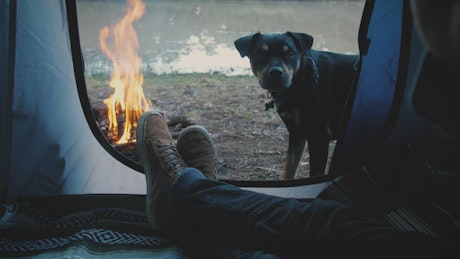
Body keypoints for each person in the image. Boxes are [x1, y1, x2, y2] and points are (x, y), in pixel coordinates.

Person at [135, 1, 460, 258]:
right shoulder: (284, 86)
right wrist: (286, 179)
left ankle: (185, 191)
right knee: (300, 137)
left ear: (301, 54)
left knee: (323, 211)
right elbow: (296, 133)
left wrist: (310, 183)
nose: (276, 68)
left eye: (288, 57)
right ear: (249, 58)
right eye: (263, 60)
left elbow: (318, 138)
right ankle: (203, 189)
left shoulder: (312, 82)